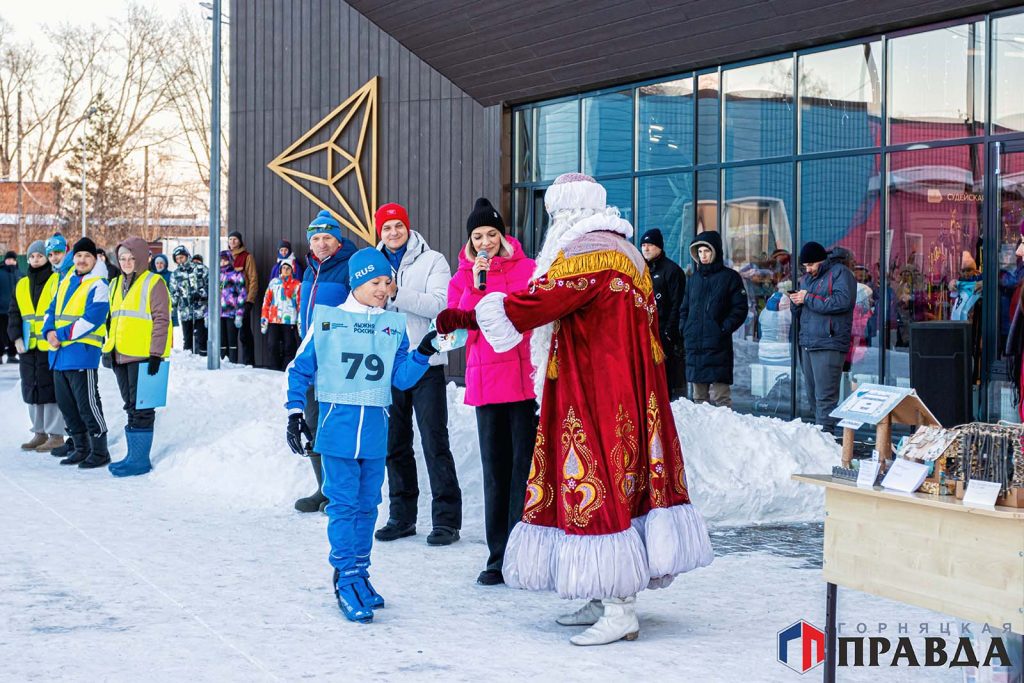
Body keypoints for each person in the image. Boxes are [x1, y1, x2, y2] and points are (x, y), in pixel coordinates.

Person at [436, 173, 713, 646]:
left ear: (569, 213)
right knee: (626, 483)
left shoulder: (586, 252)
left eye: (556, 215)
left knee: (600, 483)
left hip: (597, 389)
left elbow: (538, 302)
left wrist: (464, 315)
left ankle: (620, 606)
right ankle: (604, 591)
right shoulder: (626, 253)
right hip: (629, 386)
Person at [284, 247, 440, 623]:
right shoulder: (328, 321)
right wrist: (294, 414)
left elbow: (401, 378)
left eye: (388, 281)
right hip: (336, 434)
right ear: (357, 282)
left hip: (373, 434)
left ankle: (360, 572)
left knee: (369, 507)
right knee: (343, 506)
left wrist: (422, 352)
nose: (384, 289)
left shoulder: (392, 326)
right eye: (376, 282)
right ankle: (344, 577)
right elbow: (298, 369)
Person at [444, 198, 536, 584]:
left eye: (491, 234)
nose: (485, 242)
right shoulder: (463, 277)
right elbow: (455, 324)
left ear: (502, 235)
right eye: (478, 236)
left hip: (524, 382)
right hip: (486, 386)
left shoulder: (528, 268)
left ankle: (526, 553)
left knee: (525, 471)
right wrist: (475, 285)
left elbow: (536, 312)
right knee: (495, 473)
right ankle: (497, 557)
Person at [371, 202, 463, 547]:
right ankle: (401, 516)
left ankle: (446, 521)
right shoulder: (373, 262)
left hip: (425, 362)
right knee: (395, 444)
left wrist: (396, 293)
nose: (393, 233)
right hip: (387, 365)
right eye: (386, 228)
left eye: (397, 226)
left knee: (434, 442)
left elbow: (441, 305)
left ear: (407, 227)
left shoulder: (433, 260)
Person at [293, 210, 358, 513]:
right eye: (316, 238)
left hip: (339, 364)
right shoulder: (309, 270)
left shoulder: (349, 267)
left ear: (338, 239)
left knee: (337, 430)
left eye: (327, 237)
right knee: (313, 424)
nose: (321, 243)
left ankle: (342, 492)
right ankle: (324, 490)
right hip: (312, 362)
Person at [104, 237, 171, 477]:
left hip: (143, 357)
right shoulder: (114, 285)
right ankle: (133, 456)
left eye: (132, 258)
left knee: (142, 408)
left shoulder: (155, 283)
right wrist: (107, 349)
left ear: (142, 258)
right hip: (119, 355)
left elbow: (162, 319)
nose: (127, 262)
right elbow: (111, 319)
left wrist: (156, 353)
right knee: (130, 406)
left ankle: (140, 460)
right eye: (122, 258)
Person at [41, 237, 111, 468]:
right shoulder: (66, 281)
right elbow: (51, 309)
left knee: (87, 405)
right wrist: (47, 331)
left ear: (94, 260)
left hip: (82, 354)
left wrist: (58, 335)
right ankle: (81, 448)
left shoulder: (99, 284)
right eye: (79, 256)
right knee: (67, 407)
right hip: (59, 357)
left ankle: (100, 451)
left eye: (87, 257)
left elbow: (92, 319)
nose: (81, 260)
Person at [790, 241, 855, 436]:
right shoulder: (807, 279)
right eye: (805, 266)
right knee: (813, 396)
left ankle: (826, 439)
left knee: (825, 397)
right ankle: (819, 438)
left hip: (829, 342)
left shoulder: (840, 273)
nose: (807, 269)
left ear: (821, 260)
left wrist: (807, 298)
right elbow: (804, 309)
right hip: (809, 342)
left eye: (810, 265)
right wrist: (795, 302)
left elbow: (842, 302)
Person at [678, 231, 747, 408]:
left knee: (721, 400)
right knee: (699, 399)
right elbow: (684, 308)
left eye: (706, 251)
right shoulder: (693, 280)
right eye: (699, 252)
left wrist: (722, 329)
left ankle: (726, 435)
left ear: (715, 251)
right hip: (695, 346)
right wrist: (685, 328)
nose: (703, 255)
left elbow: (740, 309)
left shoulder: (730, 277)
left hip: (718, 347)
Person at [8, 240, 65, 451]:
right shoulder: (21, 284)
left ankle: (56, 434)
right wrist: (16, 338)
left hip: (50, 345)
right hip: (28, 347)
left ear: (46, 257)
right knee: (31, 389)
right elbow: (14, 313)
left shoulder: (56, 281)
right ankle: (38, 433)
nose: (35, 260)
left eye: (39, 256)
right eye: (32, 256)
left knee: (50, 390)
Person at [640, 229, 686, 399]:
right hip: (645, 332)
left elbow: (677, 304)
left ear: (659, 247)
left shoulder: (672, 270)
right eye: (643, 245)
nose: (646, 249)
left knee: (664, 377)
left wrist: (669, 332)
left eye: (650, 245)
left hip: (664, 333)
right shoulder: (640, 269)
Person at [260, 256, 300, 371]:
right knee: (272, 344)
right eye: (283, 268)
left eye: (288, 268)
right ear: (280, 270)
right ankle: (274, 367)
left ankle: (285, 368)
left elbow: (299, 304)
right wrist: (264, 318)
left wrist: (299, 321)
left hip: (289, 320)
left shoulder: (297, 285)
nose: (285, 270)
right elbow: (266, 301)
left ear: (292, 270)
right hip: (274, 319)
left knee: (289, 346)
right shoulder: (274, 283)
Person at [169, 245, 209, 356]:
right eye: (177, 259)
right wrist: (173, 307)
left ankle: (203, 358)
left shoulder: (200, 269)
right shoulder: (175, 274)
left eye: (182, 257)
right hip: (185, 311)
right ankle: (188, 360)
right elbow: (173, 292)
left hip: (200, 310)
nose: (180, 260)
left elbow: (211, 285)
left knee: (201, 336)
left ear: (187, 256)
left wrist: (201, 294)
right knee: (187, 338)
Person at [227, 231, 258, 366]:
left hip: (242, 301)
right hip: (227, 302)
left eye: (235, 239)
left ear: (240, 241)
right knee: (228, 334)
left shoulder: (247, 257)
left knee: (244, 334)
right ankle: (228, 362)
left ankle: (248, 363)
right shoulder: (225, 256)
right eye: (230, 239)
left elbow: (253, 279)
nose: (232, 242)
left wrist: (249, 300)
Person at [218, 250, 246, 363]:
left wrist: (239, 314)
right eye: (221, 260)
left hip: (231, 313)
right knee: (222, 340)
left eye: (225, 259)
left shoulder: (236, 275)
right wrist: (208, 313)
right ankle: (222, 361)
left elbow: (242, 294)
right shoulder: (216, 276)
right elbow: (211, 296)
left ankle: (233, 363)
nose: (223, 262)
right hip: (219, 314)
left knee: (232, 340)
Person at [0, 249, 23, 363]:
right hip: (1, 310)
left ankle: (11, 355)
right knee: (1, 334)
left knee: (13, 332)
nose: (11, 261)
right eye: (8, 259)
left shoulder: (20, 274)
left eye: (13, 259)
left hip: (16, 310)